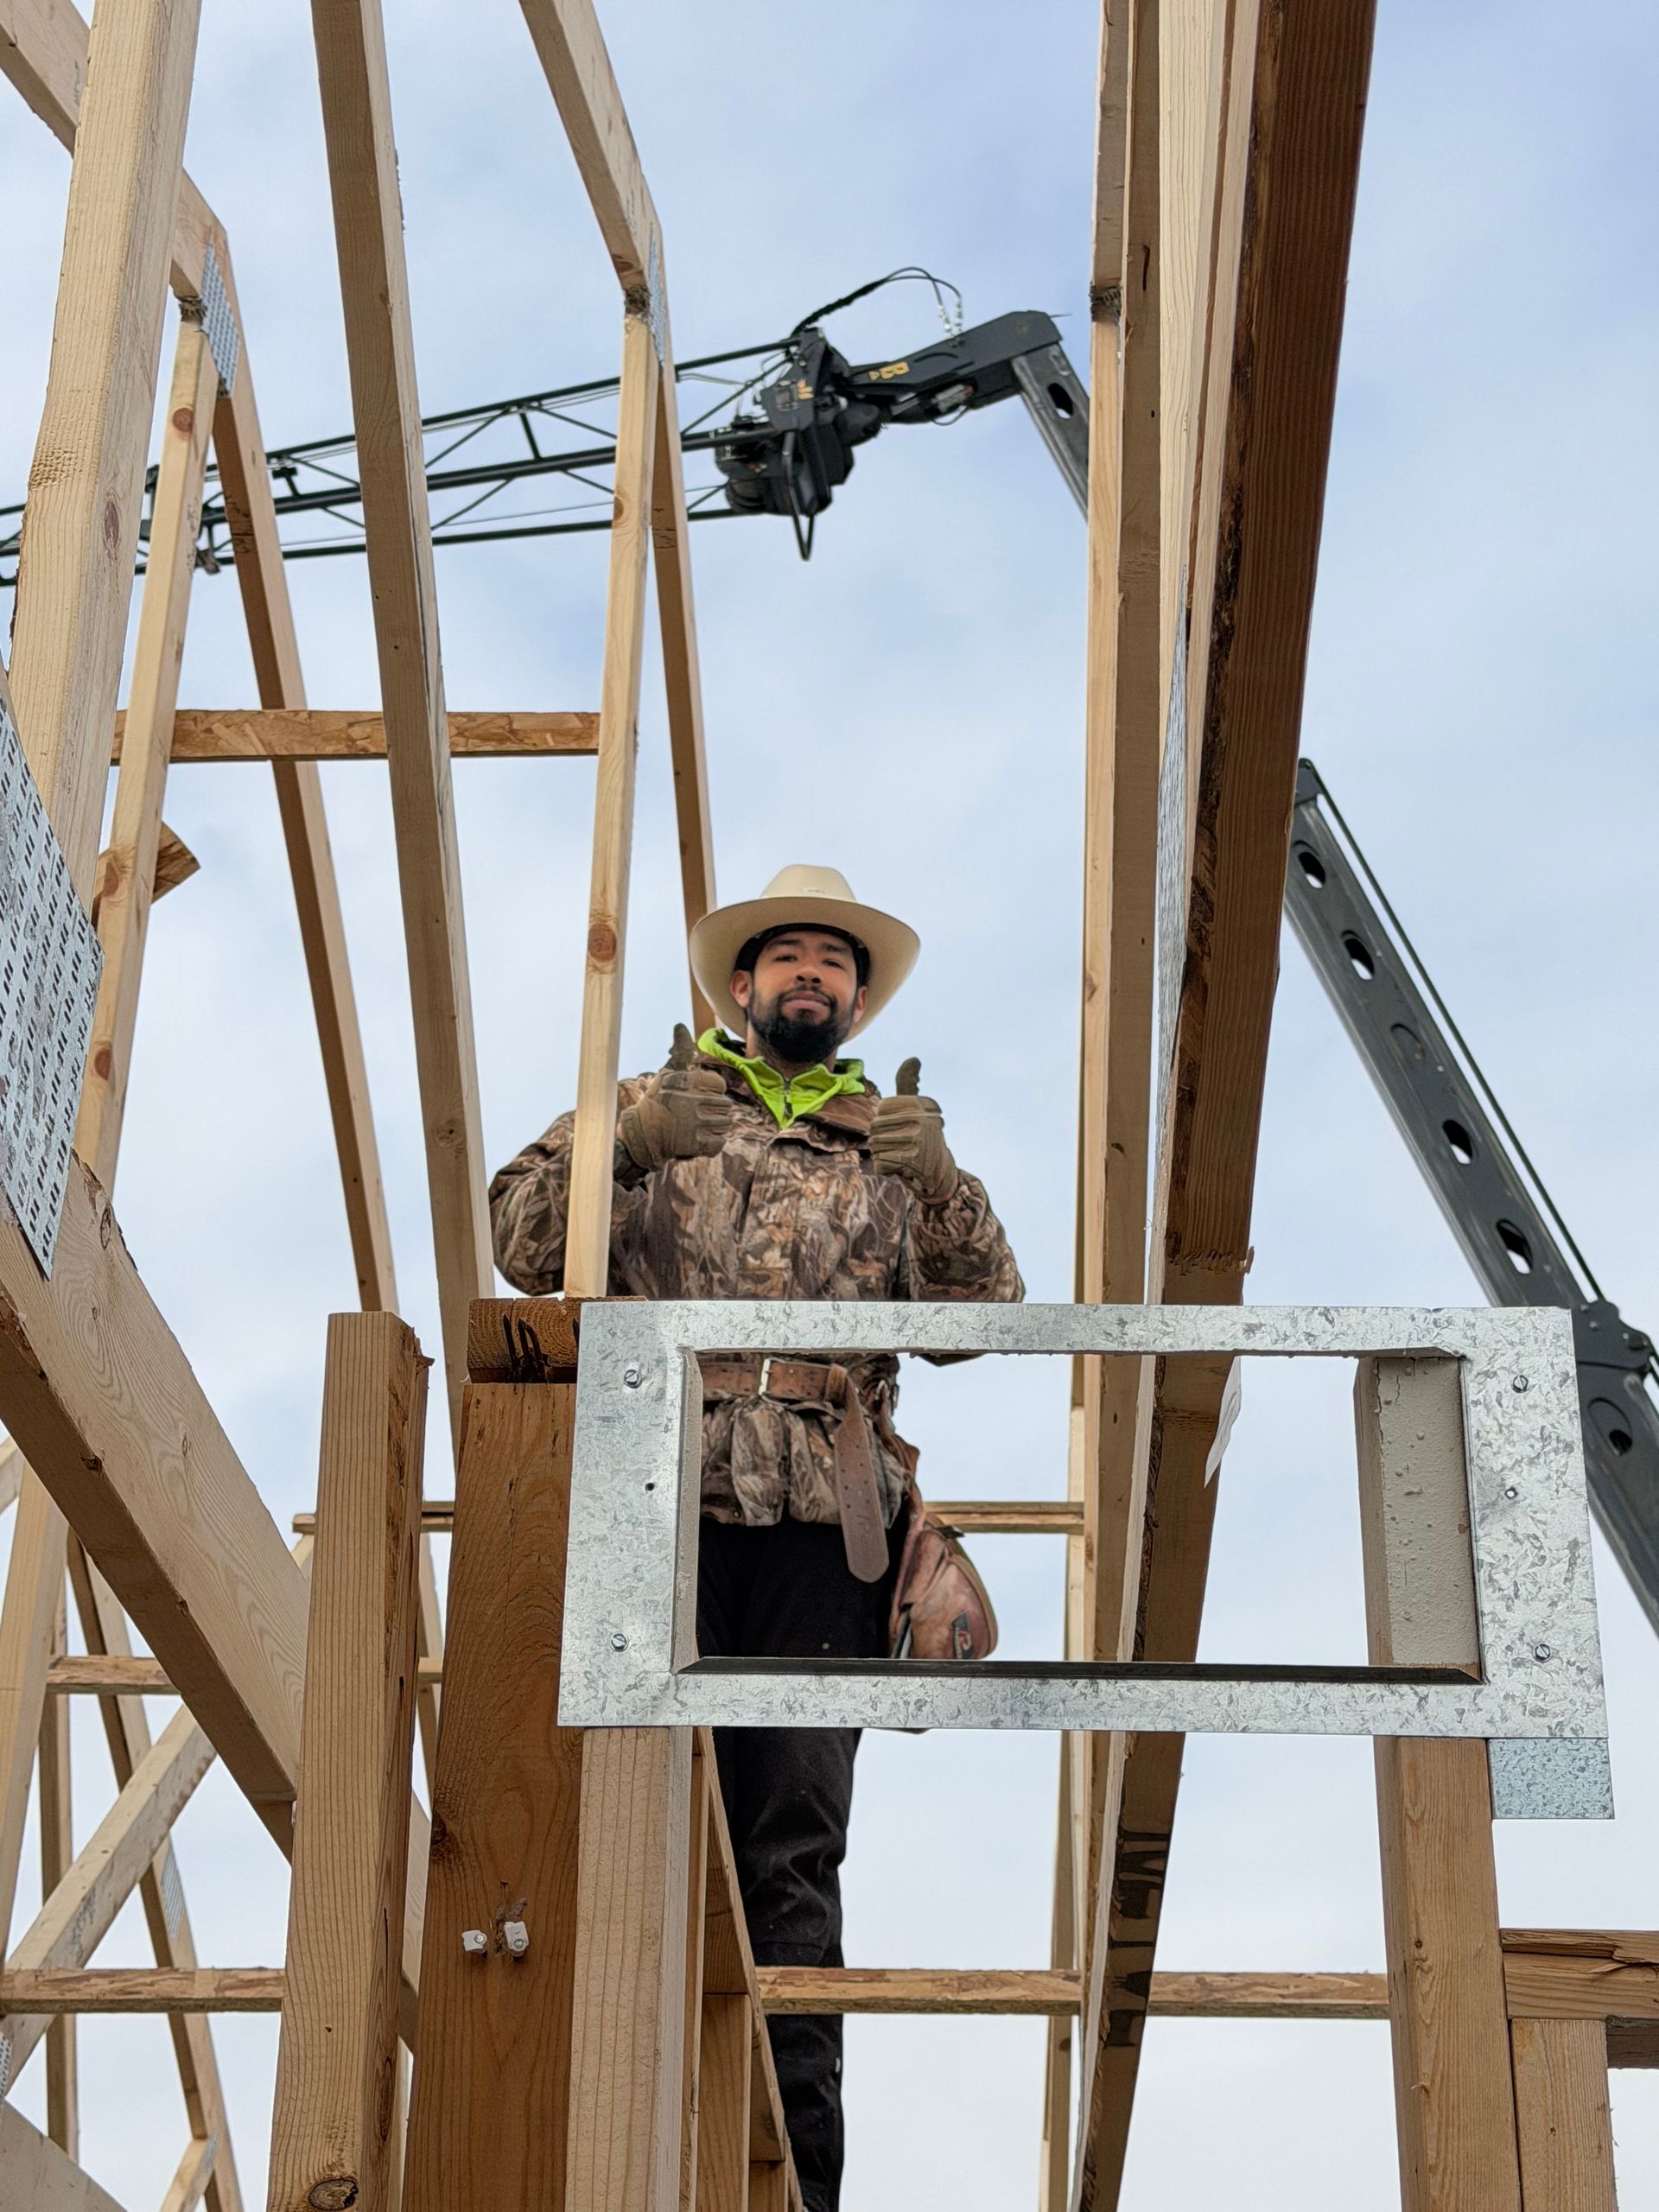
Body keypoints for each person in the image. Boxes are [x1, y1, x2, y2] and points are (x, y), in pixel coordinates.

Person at [489, 864, 1023, 2212]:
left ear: (851, 998)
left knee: (791, 1848)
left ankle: (796, 2183)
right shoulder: (661, 1113)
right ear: (739, 988)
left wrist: (946, 1182)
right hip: (657, 1504)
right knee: (622, 1829)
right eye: (785, 957)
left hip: (820, 1527)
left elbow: (977, 1323)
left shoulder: (890, 1149)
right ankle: (598, 2160)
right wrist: (632, 1139)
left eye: (831, 964)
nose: (807, 977)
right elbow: (519, 1235)